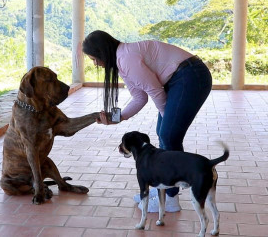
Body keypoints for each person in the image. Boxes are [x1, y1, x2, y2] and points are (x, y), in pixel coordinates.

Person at [82, 30, 212, 212]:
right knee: (163, 133)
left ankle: (171, 198)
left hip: (190, 76)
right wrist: (116, 118)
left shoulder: (126, 59)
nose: (96, 64)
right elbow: (139, 97)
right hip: (180, 78)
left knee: (168, 134)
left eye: (95, 58)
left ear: (103, 51)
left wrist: (168, 120)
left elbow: (155, 92)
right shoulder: (122, 61)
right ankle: (164, 190)